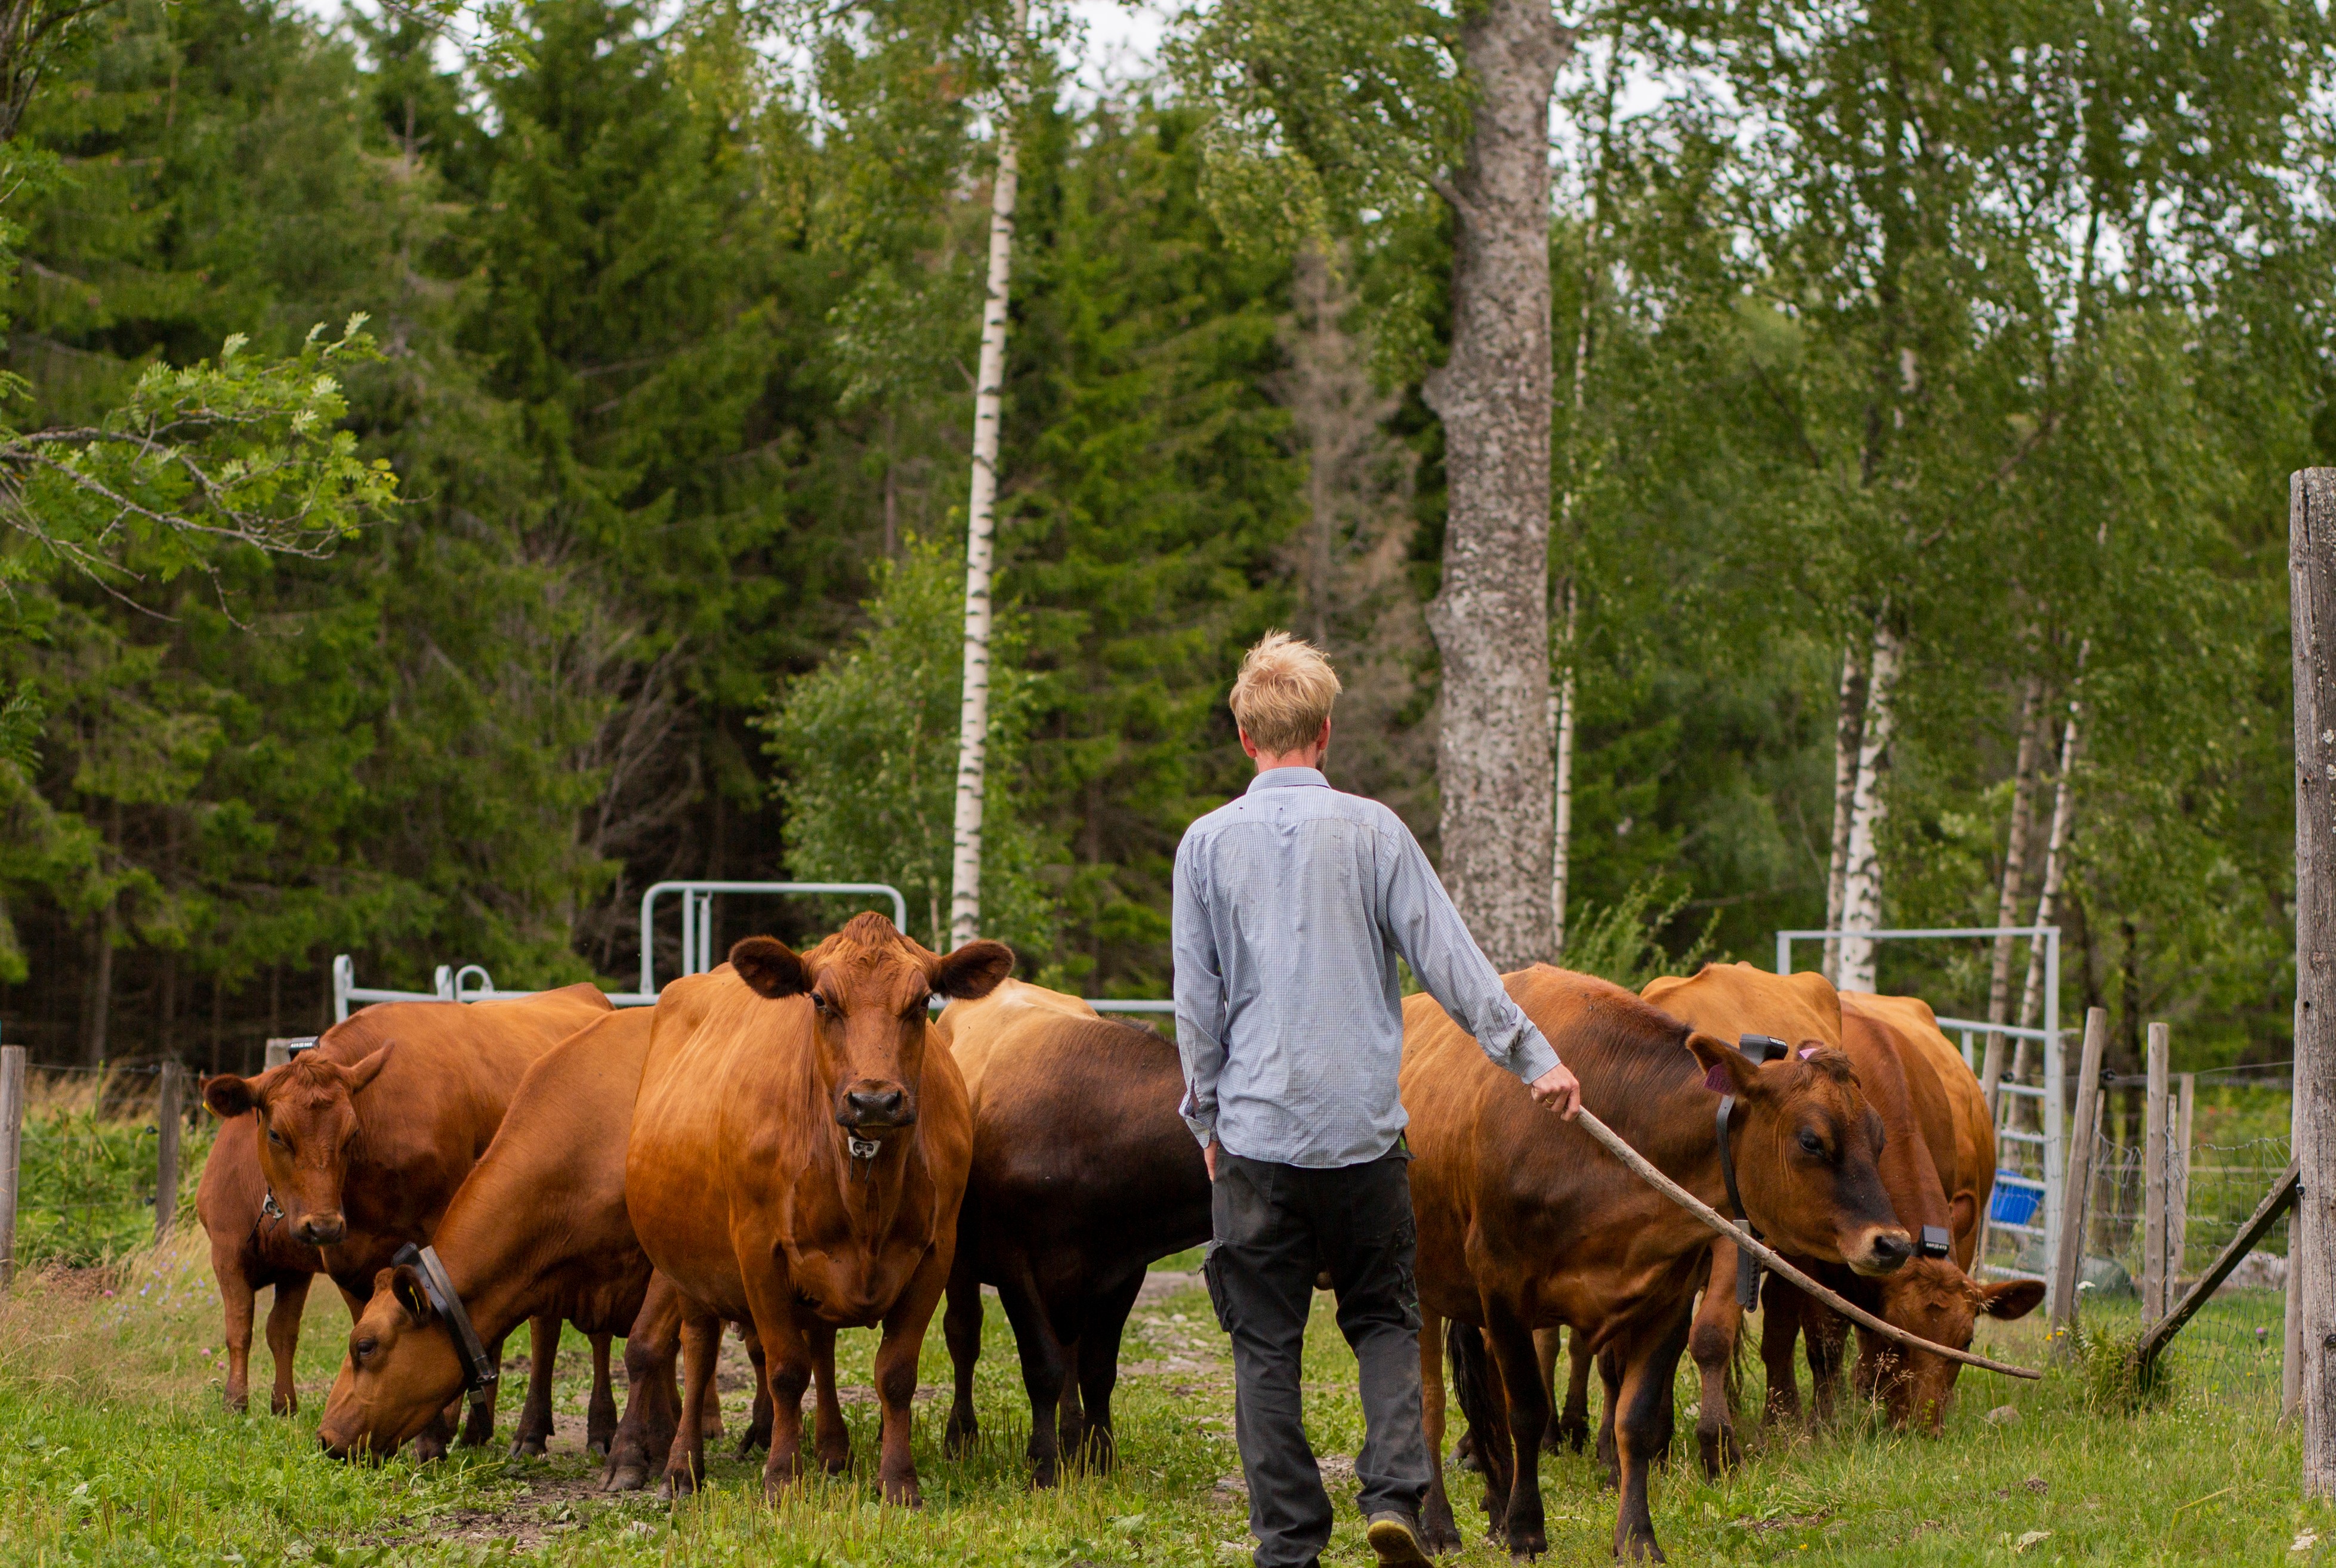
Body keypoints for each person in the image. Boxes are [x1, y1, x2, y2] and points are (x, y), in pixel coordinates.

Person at [1174, 631, 1581, 1568]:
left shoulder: (1204, 847)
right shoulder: (1374, 832)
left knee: (1265, 1344)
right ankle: (1395, 1493)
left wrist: (1205, 1119)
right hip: (1362, 1134)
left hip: (1258, 1141)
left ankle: (1288, 1544)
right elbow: (1452, 963)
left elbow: (1198, 1004)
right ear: (1324, 735)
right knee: (1386, 1319)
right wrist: (1534, 1058)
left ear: (1246, 738)